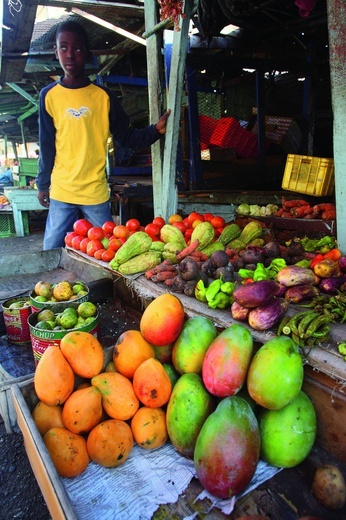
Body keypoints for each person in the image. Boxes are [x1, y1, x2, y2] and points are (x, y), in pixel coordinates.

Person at [36, 20, 170, 250]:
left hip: (95, 192)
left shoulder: (103, 97)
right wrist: (42, 184)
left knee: (110, 251)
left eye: (77, 48)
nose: (70, 54)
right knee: (51, 251)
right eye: (64, 47)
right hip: (62, 190)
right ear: (56, 52)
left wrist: (154, 131)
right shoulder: (48, 96)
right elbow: (46, 145)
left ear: (86, 54)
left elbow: (126, 137)